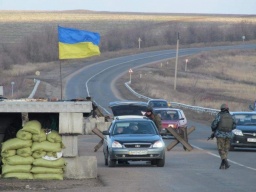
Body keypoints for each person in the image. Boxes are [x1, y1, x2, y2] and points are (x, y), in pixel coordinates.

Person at [211, 103, 236, 169]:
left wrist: (214, 130)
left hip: (220, 135)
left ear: (221, 109)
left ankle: (226, 162)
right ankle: (223, 164)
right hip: (229, 135)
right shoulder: (231, 116)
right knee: (226, 149)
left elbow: (214, 125)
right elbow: (234, 126)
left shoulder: (219, 116)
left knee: (220, 149)